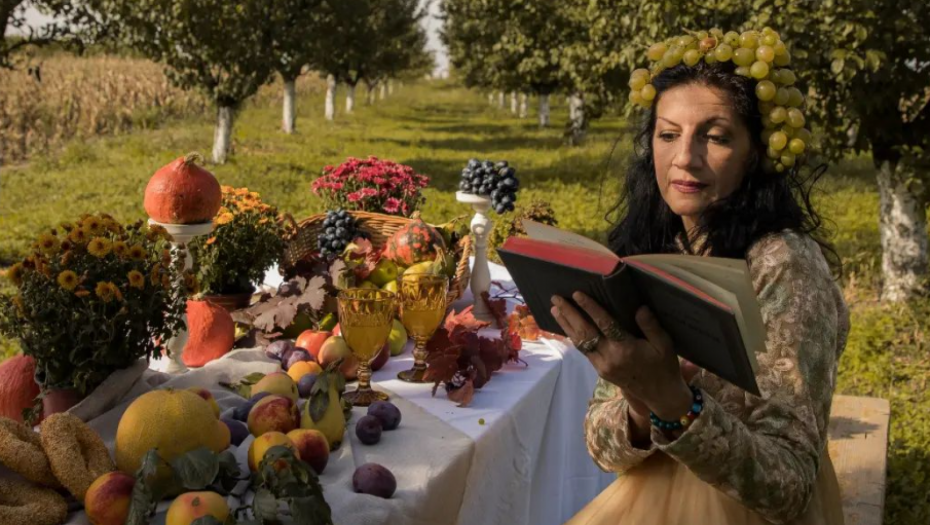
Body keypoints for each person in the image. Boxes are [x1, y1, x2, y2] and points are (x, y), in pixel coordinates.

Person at [556, 28, 849, 525]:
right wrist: (638, 405)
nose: (685, 159)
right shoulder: (655, 250)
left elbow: (789, 486)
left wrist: (674, 402)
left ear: (755, 151)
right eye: (668, 134)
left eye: (714, 137)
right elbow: (601, 450)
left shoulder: (784, 266)